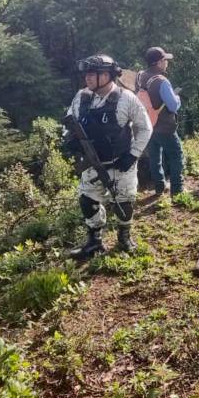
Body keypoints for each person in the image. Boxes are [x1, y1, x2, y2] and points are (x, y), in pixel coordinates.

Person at [66, 54, 151, 259]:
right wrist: (70, 140)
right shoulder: (82, 97)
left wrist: (133, 155)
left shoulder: (126, 98)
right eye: (86, 74)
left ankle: (124, 237)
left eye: (92, 74)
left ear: (106, 76)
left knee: (125, 204)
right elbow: (69, 122)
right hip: (92, 164)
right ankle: (94, 242)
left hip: (121, 164)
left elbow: (145, 128)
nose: (87, 78)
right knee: (87, 202)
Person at [136, 46, 184, 196]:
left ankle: (159, 188)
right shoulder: (162, 81)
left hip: (148, 126)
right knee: (176, 155)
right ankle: (177, 190)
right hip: (165, 127)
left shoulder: (140, 76)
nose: (167, 63)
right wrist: (178, 98)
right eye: (165, 60)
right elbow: (173, 105)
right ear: (158, 62)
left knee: (155, 158)